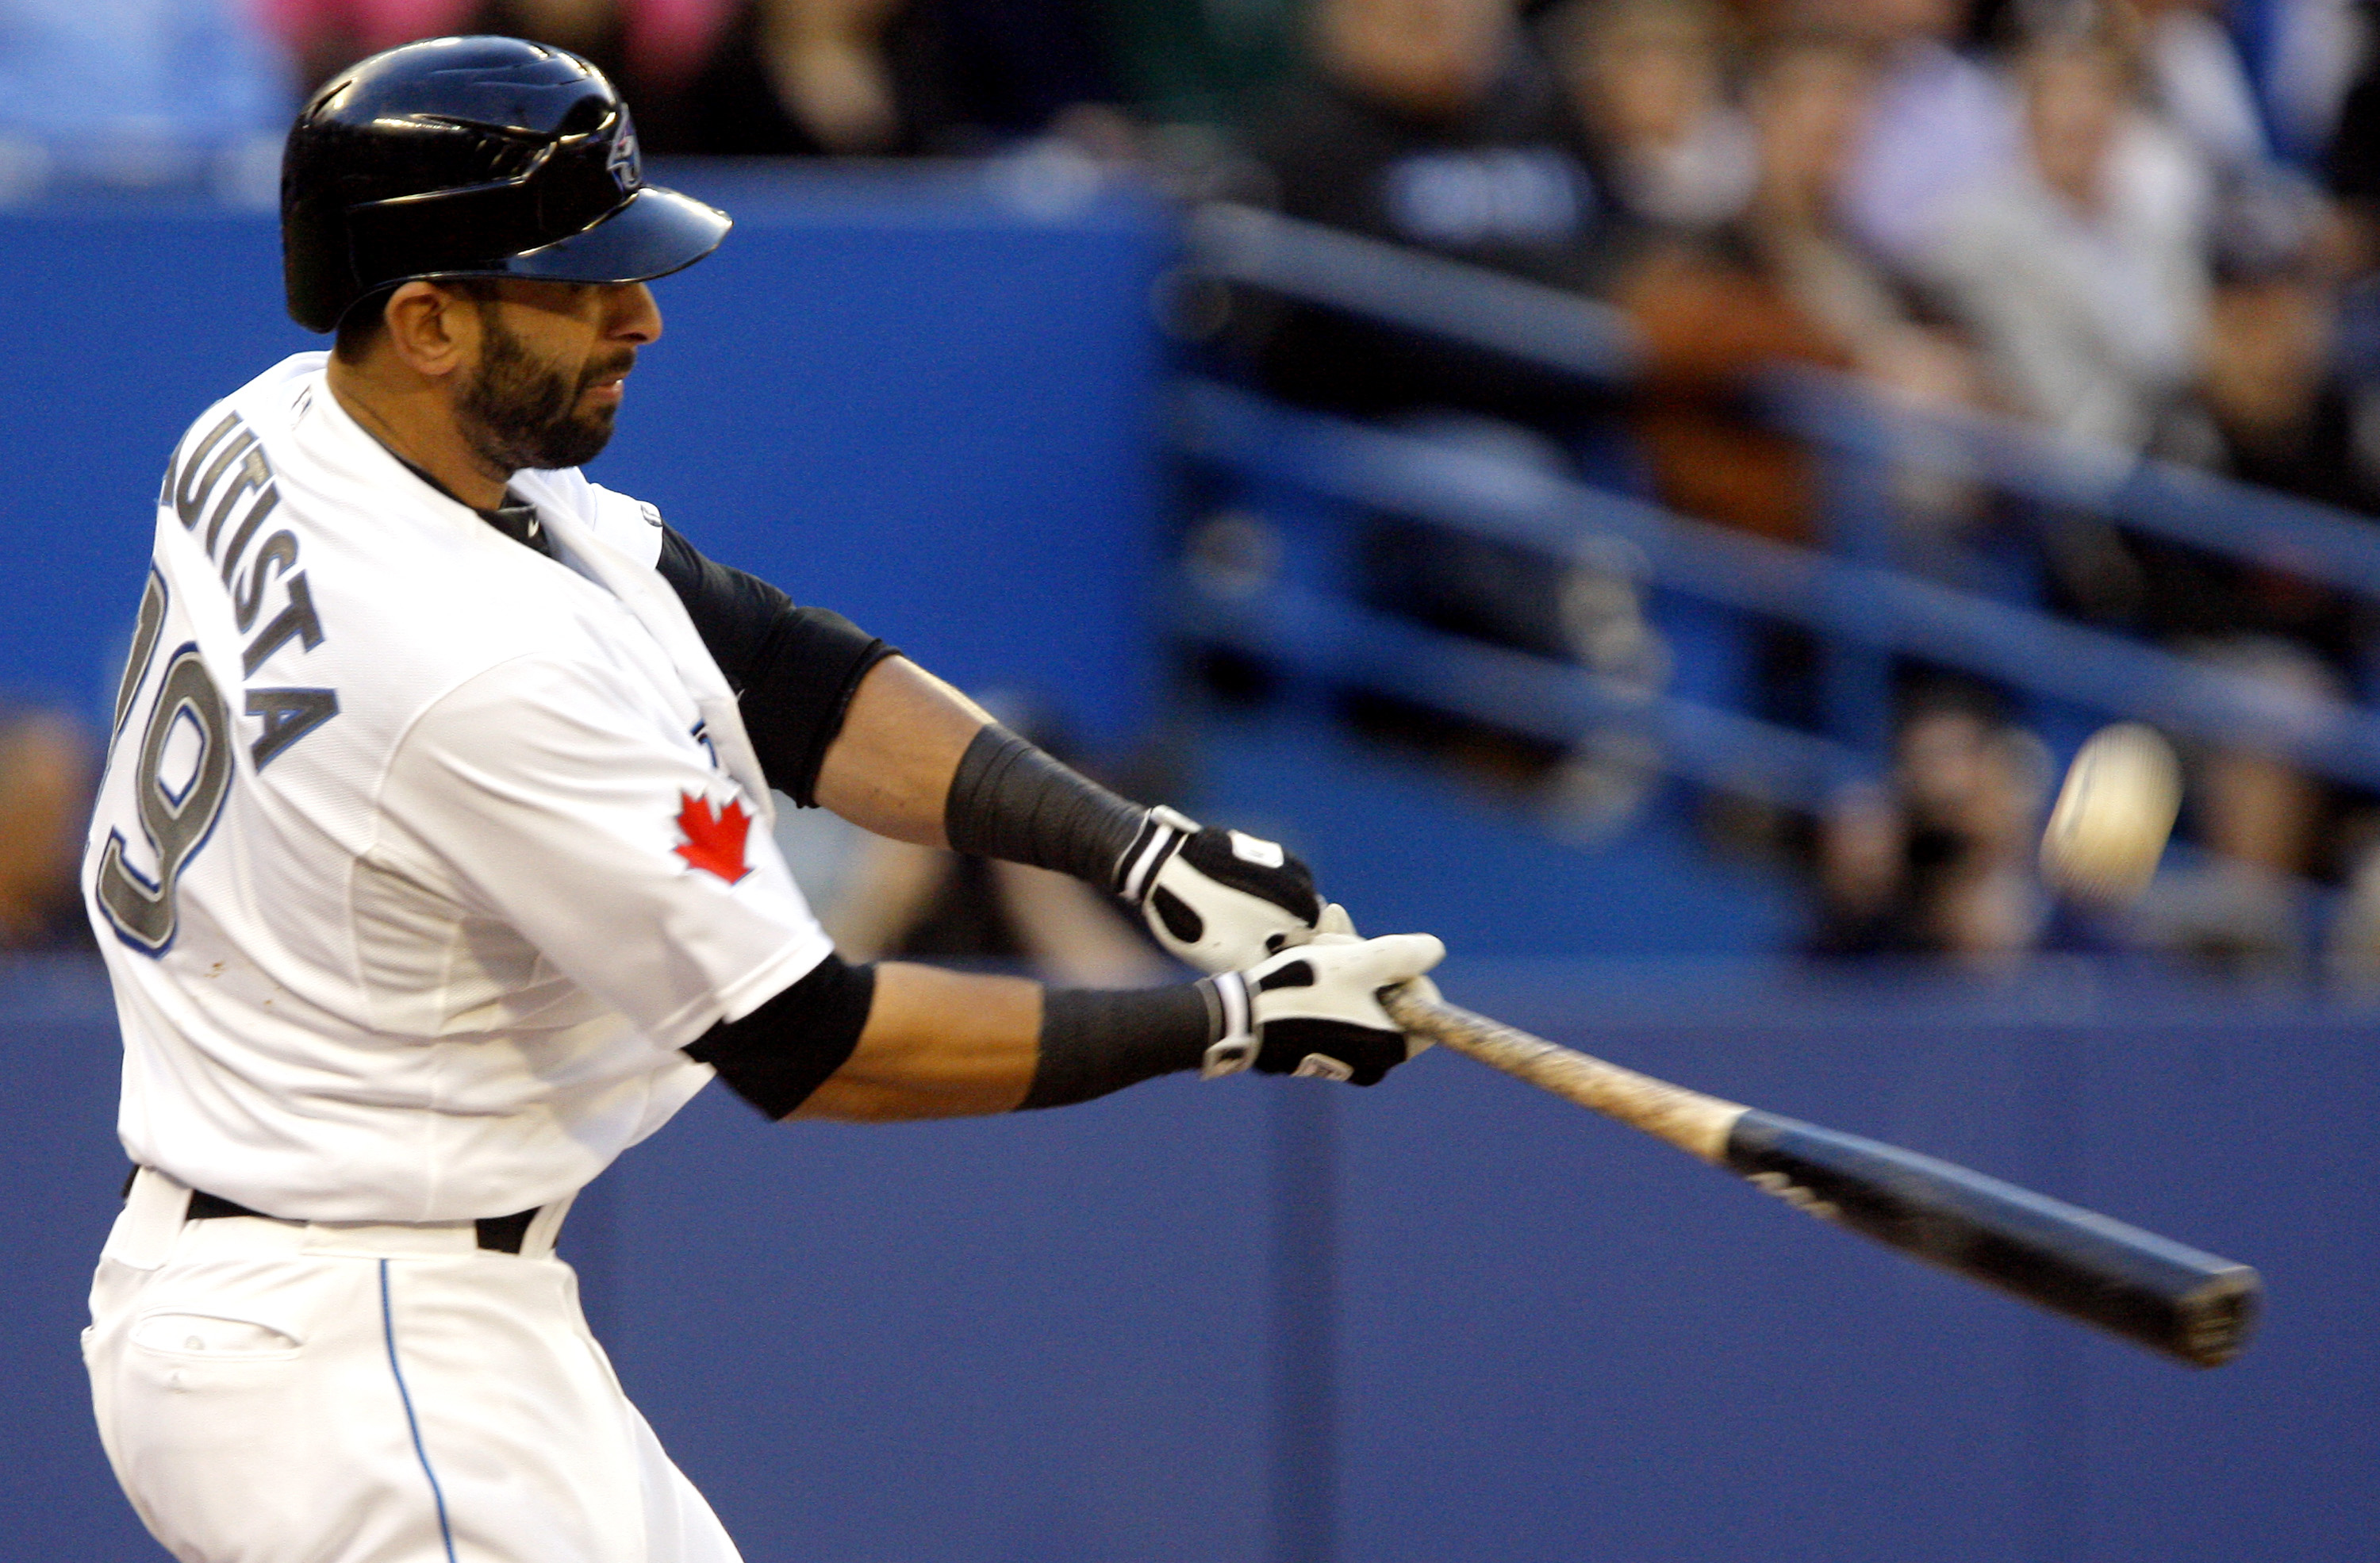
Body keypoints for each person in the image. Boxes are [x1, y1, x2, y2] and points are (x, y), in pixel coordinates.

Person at [79, 36, 1445, 1563]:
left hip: (339, 1302)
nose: (642, 315)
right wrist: (1223, 1024)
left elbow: (769, 664)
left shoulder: (283, 424)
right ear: (428, 319)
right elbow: (817, 1044)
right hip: (356, 1346)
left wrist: (1131, 845)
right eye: (584, 283)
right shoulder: (474, 673)